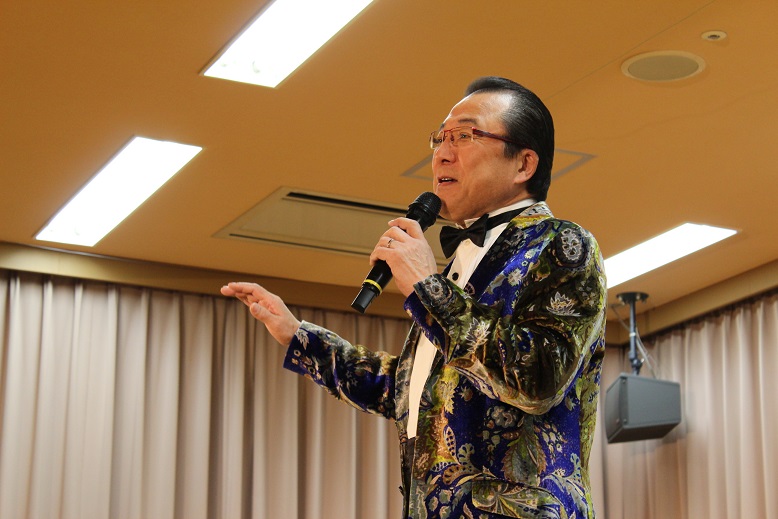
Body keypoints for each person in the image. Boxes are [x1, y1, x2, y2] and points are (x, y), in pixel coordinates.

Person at [221, 76, 607, 518]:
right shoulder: (463, 263)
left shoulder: (562, 245)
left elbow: (537, 380)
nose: (442, 153)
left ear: (524, 164)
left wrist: (428, 287)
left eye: (464, 136)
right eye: (440, 138)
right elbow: (407, 390)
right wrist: (299, 337)